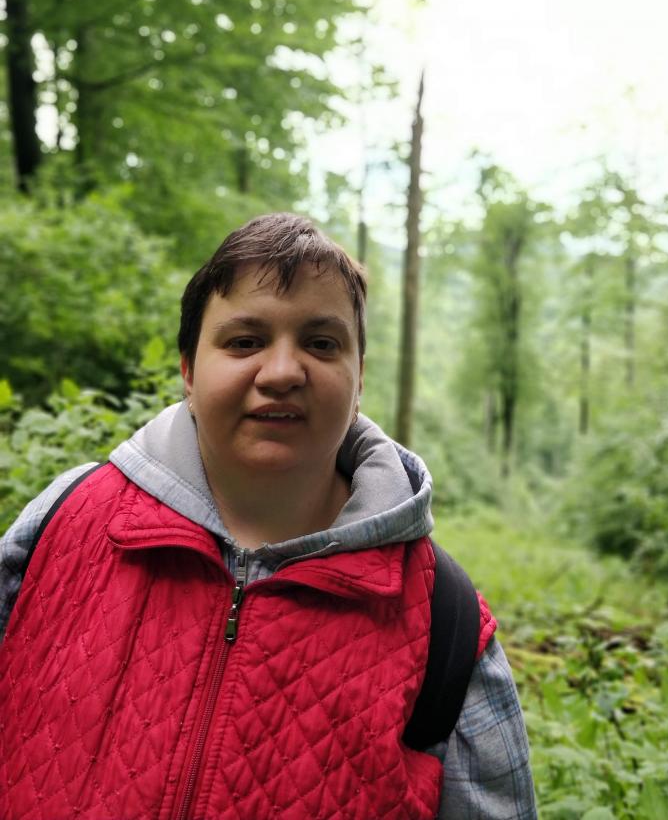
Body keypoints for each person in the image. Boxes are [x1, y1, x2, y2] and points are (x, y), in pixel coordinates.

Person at [0, 212, 536, 819]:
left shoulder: (444, 618)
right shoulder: (64, 522)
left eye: (321, 343)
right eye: (244, 342)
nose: (282, 373)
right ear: (188, 370)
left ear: (359, 377)